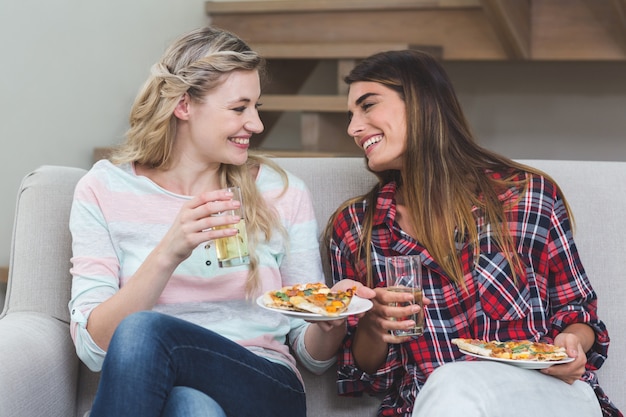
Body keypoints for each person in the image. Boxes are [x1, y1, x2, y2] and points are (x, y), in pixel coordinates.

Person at [68, 26, 353, 417]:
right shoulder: (103, 189)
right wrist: (169, 252)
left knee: (143, 330)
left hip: (266, 385)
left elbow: (311, 353)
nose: (256, 124)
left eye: (257, 107)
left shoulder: (281, 192)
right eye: (239, 108)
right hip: (161, 391)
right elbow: (94, 349)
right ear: (183, 105)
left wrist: (328, 323)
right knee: (192, 407)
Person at [325, 49, 622, 417]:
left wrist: (571, 343)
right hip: (430, 402)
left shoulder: (527, 197)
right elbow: (366, 378)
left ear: (422, 103)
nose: (353, 128)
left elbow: (577, 310)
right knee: (450, 385)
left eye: (367, 106)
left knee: (454, 383)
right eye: (350, 116)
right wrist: (372, 325)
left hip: (547, 393)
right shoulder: (356, 228)